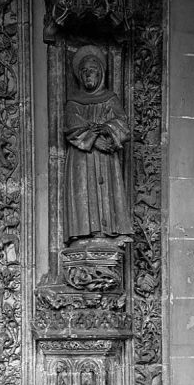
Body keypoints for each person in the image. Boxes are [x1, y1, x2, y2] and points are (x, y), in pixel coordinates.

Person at [64, 45, 133, 244]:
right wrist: (94, 140)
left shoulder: (110, 99)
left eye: (91, 71)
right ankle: (84, 234)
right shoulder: (73, 101)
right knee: (84, 194)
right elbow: (71, 126)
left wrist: (107, 130)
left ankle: (110, 231)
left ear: (100, 73)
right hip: (82, 157)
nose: (87, 75)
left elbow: (123, 126)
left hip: (106, 158)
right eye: (84, 72)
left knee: (108, 192)